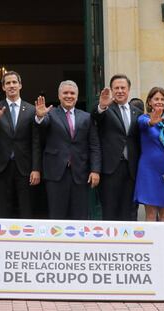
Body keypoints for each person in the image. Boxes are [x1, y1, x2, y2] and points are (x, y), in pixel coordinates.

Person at [35, 80, 101, 219]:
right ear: (59, 96)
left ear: (77, 97)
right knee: (57, 216)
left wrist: (95, 170)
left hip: (80, 173)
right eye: (65, 93)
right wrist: (40, 116)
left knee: (80, 216)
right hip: (56, 173)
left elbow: (94, 145)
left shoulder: (86, 117)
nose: (69, 96)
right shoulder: (50, 114)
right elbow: (41, 128)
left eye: (72, 93)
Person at [0, 71, 41, 218]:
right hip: (2, 166)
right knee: (4, 208)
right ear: (3, 87)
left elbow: (36, 141)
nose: (11, 86)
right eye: (8, 83)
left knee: (26, 208)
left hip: (25, 167)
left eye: (14, 82)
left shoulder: (31, 110)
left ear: (20, 85)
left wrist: (36, 168)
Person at [92, 74, 142, 220]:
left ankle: (129, 243)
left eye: (123, 88)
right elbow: (96, 116)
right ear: (112, 90)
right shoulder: (105, 108)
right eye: (116, 88)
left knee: (130, 211)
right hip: (110, 169)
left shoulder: (137, 112)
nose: (120, 91)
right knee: (110, 210)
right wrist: (101, 106)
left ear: (129, 89)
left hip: (131, 169)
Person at [134, 87, 164, 221]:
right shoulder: (143, 118)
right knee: (151, 213)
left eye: (162, 99)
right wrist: (151, 122)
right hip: (149, 171)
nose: (159, 101)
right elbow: (143, 124)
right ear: (149, 102)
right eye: (156, 99)